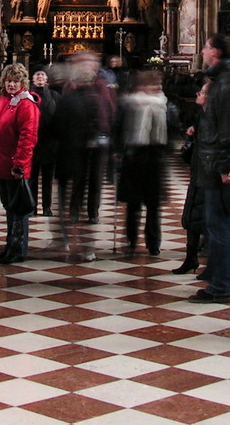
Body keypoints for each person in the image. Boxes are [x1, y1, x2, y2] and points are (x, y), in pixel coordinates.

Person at [189, 33, 230, 303]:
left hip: (220, 167)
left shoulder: (225, 83)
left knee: (221, 227)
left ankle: (223, 286)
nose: (202, 52)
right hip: (215, 164)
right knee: (216, 226)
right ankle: (219, 279)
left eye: (205, 48)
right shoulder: (223, 80)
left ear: (215, 51)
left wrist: (228, 167)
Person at [52, 51, 116, 260]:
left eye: (89, 64)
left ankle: (83, 238)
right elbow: (59, 120)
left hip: (91, 152)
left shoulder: (100, 89)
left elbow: (108, 115)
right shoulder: (69, 90)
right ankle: (67, 235)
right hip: (69, 151)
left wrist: (102, 137)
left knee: (87, 191)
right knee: (67, 196)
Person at [0, 63, 40, 264]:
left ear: (22, 83)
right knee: (8, 207)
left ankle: (18, 249)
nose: (11, 84)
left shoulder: (26, 105)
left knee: (18, 208)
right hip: (0, 162)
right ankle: (9, 246)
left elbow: (27, 137)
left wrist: (19, 165)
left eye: (15, 81)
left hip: (15, 166)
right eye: (8, 81)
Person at [115, 71, 169, 257]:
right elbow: (119, 128)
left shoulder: (163, 105)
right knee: (133, 204)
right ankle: (131, 240)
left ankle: (153, 242)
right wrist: (118, 150)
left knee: (153, 205)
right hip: (134, 158)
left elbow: (172, 130)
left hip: (154, 159)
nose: (155, 88)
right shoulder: (130, 104)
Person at [173, 80, 210, 275]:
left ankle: (209, 264)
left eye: (202, 92)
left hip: (207, 176)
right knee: (192, 217)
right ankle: (191, 258)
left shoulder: (211, 118)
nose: (197, 94)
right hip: (197, 174)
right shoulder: (200, 116)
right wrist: (191, 137)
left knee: (205, 218)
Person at [29, 66, 59, 216]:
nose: (40, 77)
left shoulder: (54, 96)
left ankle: (47, 207)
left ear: (47, 79)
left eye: (42, 75)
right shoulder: (27, 95)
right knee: (32, 178)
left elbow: (60, 118)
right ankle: (32, 206)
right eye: (37, 75)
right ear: (32, 79)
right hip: (33, 143)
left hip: (50, 143)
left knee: (48, 179)